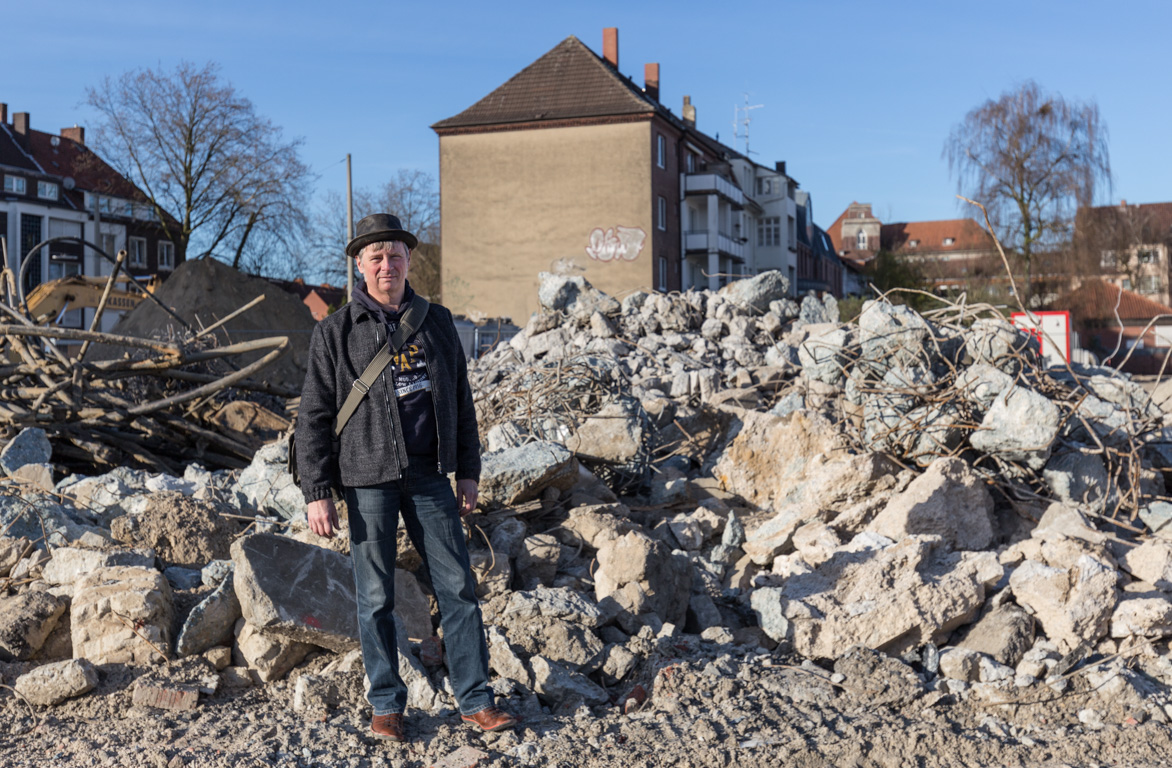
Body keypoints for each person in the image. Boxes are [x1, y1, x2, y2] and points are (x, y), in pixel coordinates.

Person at [296, 213, 515, 743]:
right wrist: (317, 491)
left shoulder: (435, 321)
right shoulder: (335, 331)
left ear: (409, 260)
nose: (387, 265)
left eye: (395, 255)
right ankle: (388, 703)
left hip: (429, 476)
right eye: (376, 258)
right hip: (365, 478)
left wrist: (468, 470)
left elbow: (461, 401)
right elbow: (314, 416)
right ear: (360, 266)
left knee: (459, 587)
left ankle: (475, 699)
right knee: (374, 597)